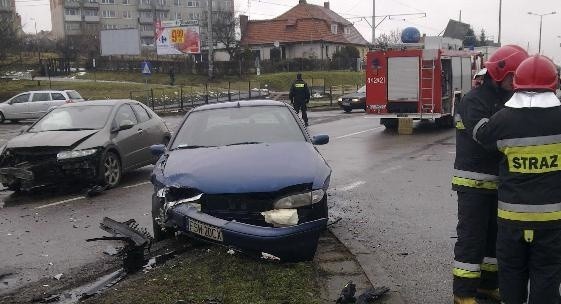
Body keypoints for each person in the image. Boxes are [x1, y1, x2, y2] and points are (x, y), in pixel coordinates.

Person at [473, 55, 561, 304]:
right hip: (552, 221)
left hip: (511, 221)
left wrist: (479, 96)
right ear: (553, 84)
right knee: (547, 277)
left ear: (517, 83)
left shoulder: (504, 119)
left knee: (511, 278)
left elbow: (482, 136)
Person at [451, 45, 528, 304]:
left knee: (494, 240)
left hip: (500, 183)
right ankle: (463, 294)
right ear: (499, 73)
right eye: (513, 77)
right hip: (473, 182)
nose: (516, 83)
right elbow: (485, 137)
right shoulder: (474, 100)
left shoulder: (509, 99)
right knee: (472, 239)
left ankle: (487, 286)